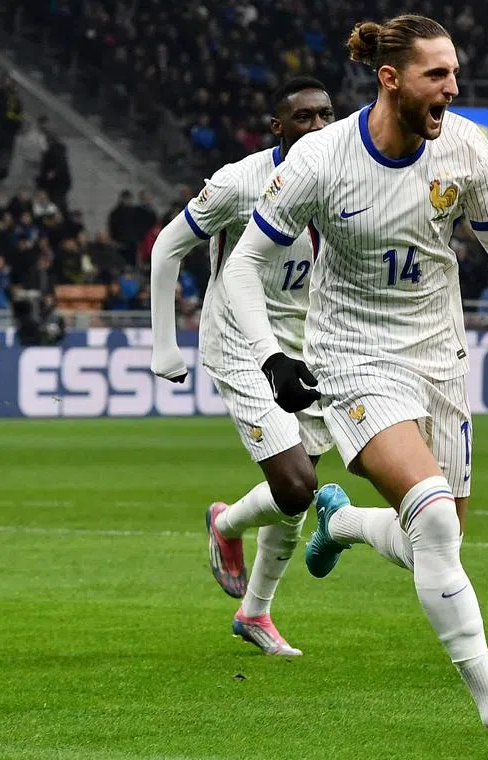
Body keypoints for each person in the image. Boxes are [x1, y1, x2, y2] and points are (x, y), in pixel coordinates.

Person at [222, 15, 488, 759]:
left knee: (440, 543)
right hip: (351, 356)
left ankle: (342, 526)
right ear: (391, 79)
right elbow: (245, 263)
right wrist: (273, 355)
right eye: (436, 75)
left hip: (439, 356)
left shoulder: (467, 147)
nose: (453, 87)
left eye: (454, 73)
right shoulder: (321, 159)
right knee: (435, 521)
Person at [148, 77, 339, 657]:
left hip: (306, 345)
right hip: (239, 342)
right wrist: (164, 344)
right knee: (297, 483)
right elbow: (167, 247)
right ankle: (227, 526)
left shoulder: (347, 178)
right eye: (303, 118)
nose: (318, 127)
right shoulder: (237, 183)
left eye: (326, 115)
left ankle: (254, 613)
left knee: (295, 496)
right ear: (277, 128)